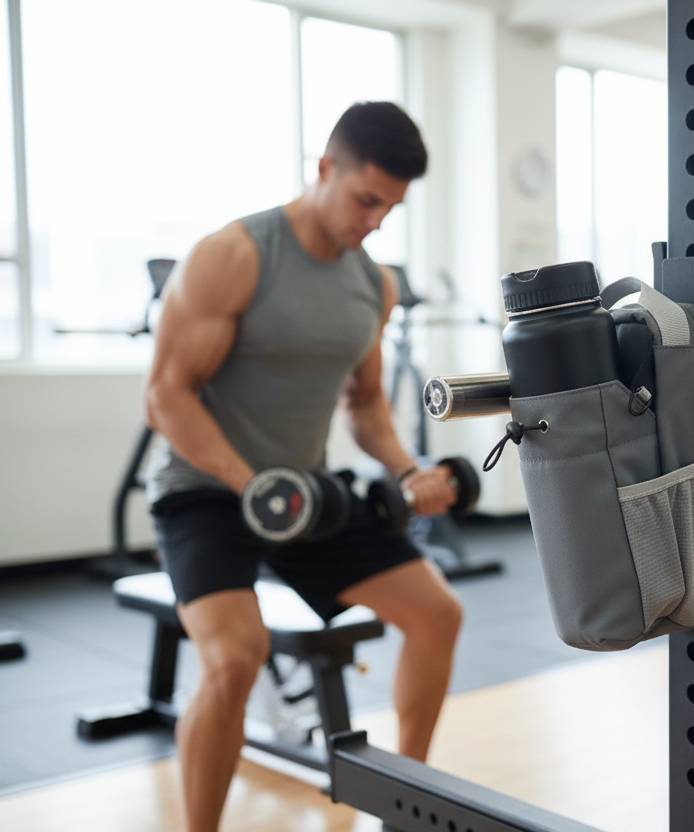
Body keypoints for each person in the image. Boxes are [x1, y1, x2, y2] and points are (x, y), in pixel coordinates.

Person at [143, 101, 462, 832]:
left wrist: (409, 470)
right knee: (233, 660)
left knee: (438, 614)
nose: (376, 220)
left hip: (305, 495)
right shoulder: (234, 254)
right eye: (366, 199)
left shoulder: (372, 285)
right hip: (205, 494)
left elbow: (367, 406)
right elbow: (164, 396)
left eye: (390, 207)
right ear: (324, 170)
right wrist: (247, 482)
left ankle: (405, 810)